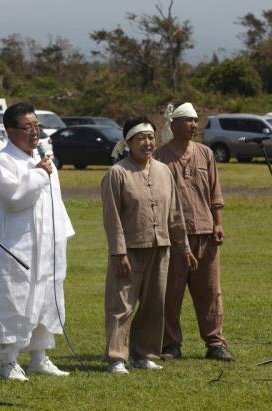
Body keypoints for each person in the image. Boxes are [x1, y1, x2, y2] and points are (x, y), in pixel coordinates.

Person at [101, 117, 197, 374]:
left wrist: (184, 247)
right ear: (128, 142)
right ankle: (116, 358)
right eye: (141, 138)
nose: (147, 142)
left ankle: (143, 354)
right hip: (129, 250)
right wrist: (119, 252)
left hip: (161, 247)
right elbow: (112, 219)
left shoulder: (164, 171)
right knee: (121, 305)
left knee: (155, 304)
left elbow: (175, 214)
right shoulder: (117, 173)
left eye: (151, 137)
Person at [0, 102, 74, 382]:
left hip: (48, 243)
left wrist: (61, 234)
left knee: (47, 297)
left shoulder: (43, 158)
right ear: (10, 131)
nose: (34, 132)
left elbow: (55, 202)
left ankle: (40, 356)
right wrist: (38, 173)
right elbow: (14, 199)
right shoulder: (4, 161)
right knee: (16, 299)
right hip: (18, 246)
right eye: (27, 127)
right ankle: (9, 361)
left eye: (36, 126)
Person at [154, 102, 235, 361]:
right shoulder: (159, 157)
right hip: (173, 236)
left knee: (210, 291)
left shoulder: (206, 153)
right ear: (173, 124)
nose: (194, 125)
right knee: (170, 292)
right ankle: (170, 345)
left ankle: (215, 344)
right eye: (188, 120)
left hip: (204, 232)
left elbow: (215, 193)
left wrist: (218, 223)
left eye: (196, 120)